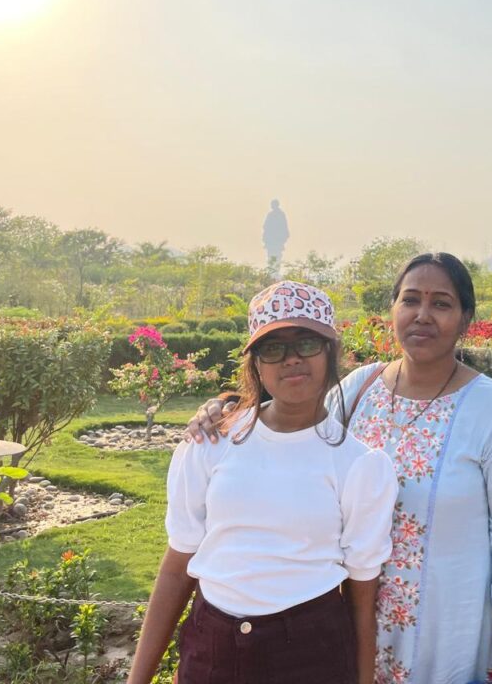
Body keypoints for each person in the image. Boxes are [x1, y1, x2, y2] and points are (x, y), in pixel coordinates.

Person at [188, 253, 492, 684]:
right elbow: (290, 426)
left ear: (466, 318)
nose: (423, 316)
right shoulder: (361, 389)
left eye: (442, 304)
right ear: (393, 310)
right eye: (410, 300)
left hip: (446, 634)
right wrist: (225, 409)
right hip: (350, 625)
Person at [128, 280, 398, 684]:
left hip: (312, 656)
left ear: (330, 352)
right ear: (255, 364)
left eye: (307, 343)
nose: (291, 360)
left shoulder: (359, 465)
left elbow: (362, 592)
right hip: (211, 651)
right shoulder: (211, 443)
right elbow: (177, 564)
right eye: (273, 348)